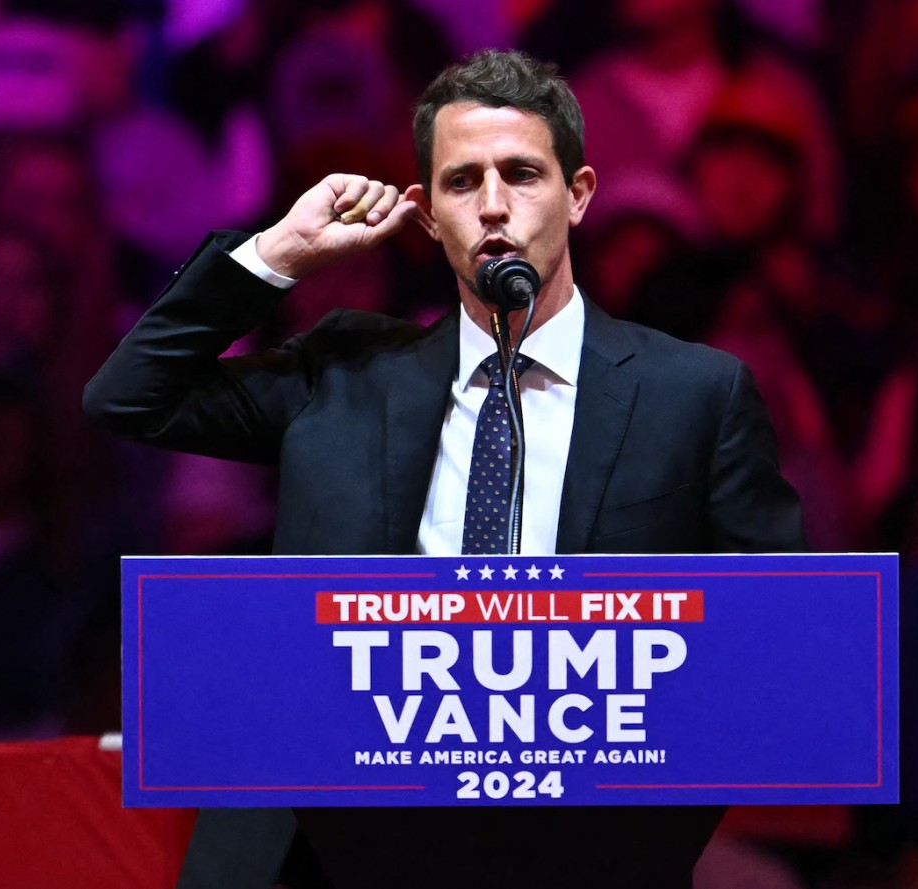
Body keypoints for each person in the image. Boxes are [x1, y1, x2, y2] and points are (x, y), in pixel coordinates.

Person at [84, 49, 804, 889]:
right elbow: (130, 396)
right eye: (462, 183)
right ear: (425, 215)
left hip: (579, 844)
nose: (494, 206)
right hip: (324, 850)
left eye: (522, 174)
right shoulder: (345, 372)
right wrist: (277, 251)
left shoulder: (695, 395)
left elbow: (775, 639)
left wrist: (638, 829)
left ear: (577, 196)